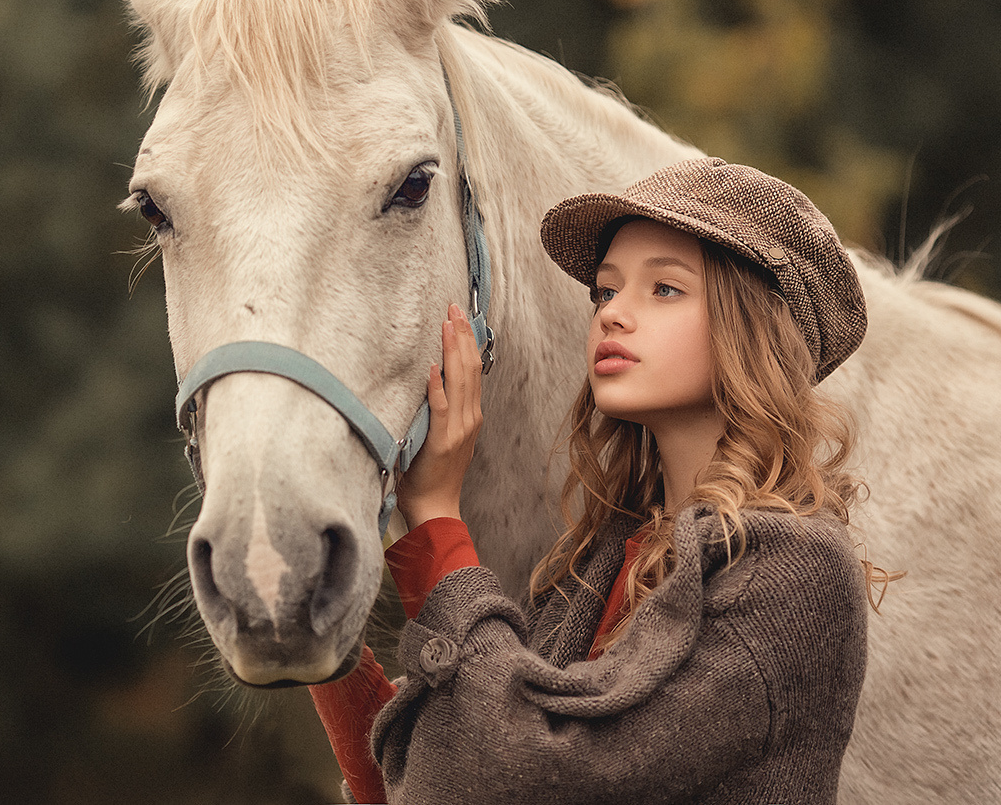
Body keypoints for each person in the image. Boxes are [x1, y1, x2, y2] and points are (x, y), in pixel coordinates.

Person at [310, 157, 873, 804]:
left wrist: (438, 517)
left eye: (663, 289)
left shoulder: (795, 570)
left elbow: (528, 772)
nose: (612, 315)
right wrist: (326, 641)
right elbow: (441, 778)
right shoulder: (602, 561)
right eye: (606, 291)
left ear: (755, 329)